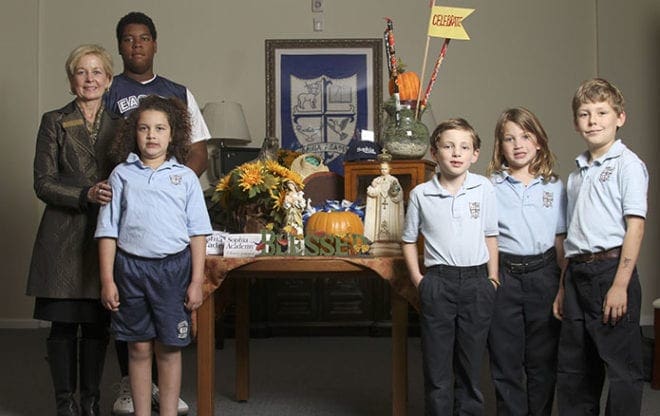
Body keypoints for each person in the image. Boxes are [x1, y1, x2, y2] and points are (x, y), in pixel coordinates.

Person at [104, 11, 210, 414]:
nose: (136, 45)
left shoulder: (177, 92)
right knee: (129, 322)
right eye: (128, 39)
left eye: (143, 38)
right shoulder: (108, 90)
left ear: (154, 43)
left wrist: (171, 184)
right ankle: (133, 388)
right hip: (124, 215)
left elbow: (198, 148)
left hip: (168, 233)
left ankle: (161, 393)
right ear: (119, 46)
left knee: (167, 328)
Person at [26, 44, 120, 416]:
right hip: (62, 236)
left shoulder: (123, 126)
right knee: (63, 327)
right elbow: (43, 182)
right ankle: (65, 405)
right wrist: (84, 193)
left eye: (97, 71)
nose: (90, 79)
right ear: (71, 80)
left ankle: (91, 402)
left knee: (97, 327)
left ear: (109, 80)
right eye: (81, 72)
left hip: (106, 235)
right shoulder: (53, 121)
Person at [553, 78, 648, 415]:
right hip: (577, 273)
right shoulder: (577, 173)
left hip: (610, 271)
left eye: (602, 112)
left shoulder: (628, 165)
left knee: (621, 369)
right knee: (575, 369)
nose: (593, 120)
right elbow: (573, 236)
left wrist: (621, 284)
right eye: (584, 114)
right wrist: (564, 287)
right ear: (576, 123)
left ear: (619, 118)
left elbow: (635, 226)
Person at [401, 118, 499, 415]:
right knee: (437, 365)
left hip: (476, 282)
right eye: (448, 146)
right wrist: (420, 280)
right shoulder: (420, 194)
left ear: (475, 154)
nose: (456, 153)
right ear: (434, 152)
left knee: (470, 365)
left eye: (464, 147)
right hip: (438, 283)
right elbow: (407, 240)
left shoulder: (483, 188)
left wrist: (493, 279)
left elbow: (490, 235)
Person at [486, 107, 567, 415]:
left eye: (525, 136)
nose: (518, 144)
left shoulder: (554, 187)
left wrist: (562, 285)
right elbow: (485, 238)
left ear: (539, 142)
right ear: (500, 146)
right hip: (504, 275)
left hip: (544, 275)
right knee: (505, 358)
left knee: (543, 360)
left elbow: (561, 241)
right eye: (509, 138)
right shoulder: (489, 187)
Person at [364, 155, 404, 242]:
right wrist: (373, 187)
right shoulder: (377, 180)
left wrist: (395, 191)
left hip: (391, 205)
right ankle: (377, 238)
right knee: (379, 221)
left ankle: (392, 238)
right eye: (382, 169)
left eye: (385, 169)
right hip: (379, 205)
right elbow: (372, 192)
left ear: (389, 169)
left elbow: (398, 193)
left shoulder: (393, 180)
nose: (383, 171)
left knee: (390, 222)